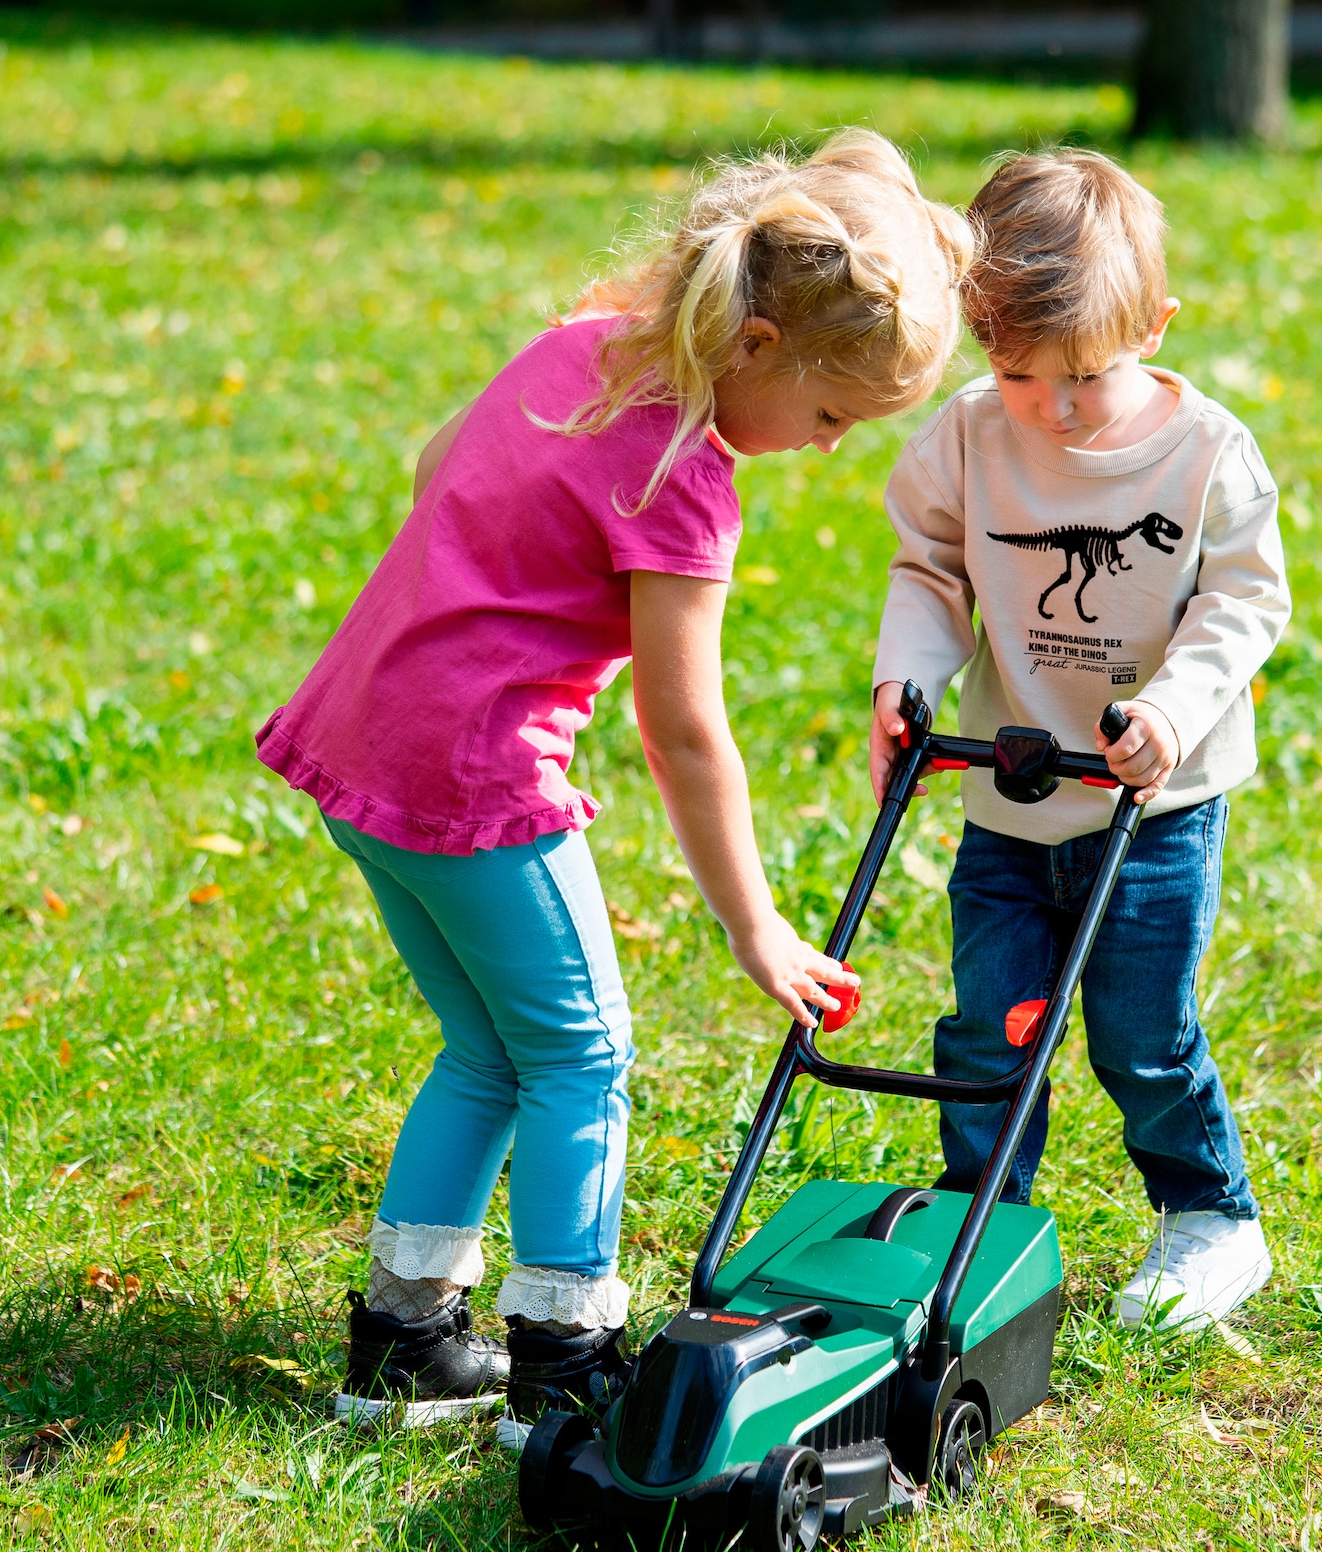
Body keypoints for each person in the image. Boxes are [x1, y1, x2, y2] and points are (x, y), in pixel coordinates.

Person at [260, 130, 977, 1425]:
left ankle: (403, 1340)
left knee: (489, 1046)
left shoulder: (573, 349)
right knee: (585, 1055)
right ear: (756, 346)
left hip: (363, 736)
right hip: (476, 783)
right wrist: (756, 924)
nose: (823, 450)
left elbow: (435, 470)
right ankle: (564, 1356)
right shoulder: (684, 480)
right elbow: (684, 724)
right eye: (831, 417)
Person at [868, 149, 1290, 1330]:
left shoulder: (1206, 453)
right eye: (1015, 372)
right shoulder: (967, 438)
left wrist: (1170, 706)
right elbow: (931, 569)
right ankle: (983, 1215)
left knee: (1141, 1035)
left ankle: (1212, 1216)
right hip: (1007, 799)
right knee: (986, 1027)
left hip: (1151, 809)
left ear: (1154, 328)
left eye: (1086, 376)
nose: (1051, 407)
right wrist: (905, 679)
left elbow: (1245, 602)